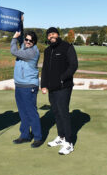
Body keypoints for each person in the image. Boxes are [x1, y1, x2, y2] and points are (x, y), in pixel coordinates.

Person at [41, 27, 78, 155]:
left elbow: (74, 65)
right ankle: (61, 137)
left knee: (63, 112)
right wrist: (43, 85)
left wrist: (62, 78)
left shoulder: (66, 46)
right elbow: (45, 69)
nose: (52, 36)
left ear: (57, 34)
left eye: (54, 33)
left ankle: (69, 143)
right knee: (56, 112)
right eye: (49, 34)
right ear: (47, 37)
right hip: (51, 88)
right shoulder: (47, 50)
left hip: (64, 86)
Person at [11, 30, 43, 148]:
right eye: (26, 39)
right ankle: (25, 135)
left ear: (34, 42)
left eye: (31, 40)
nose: (28, 42)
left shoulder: (32, 52)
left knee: (31, 112)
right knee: (23, 112)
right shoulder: (24, 47)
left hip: (29, 86)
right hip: (19, 85)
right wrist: (20, 23)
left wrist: (14, 38)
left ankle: (38, 137)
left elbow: (13, 50)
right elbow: (21, 36)